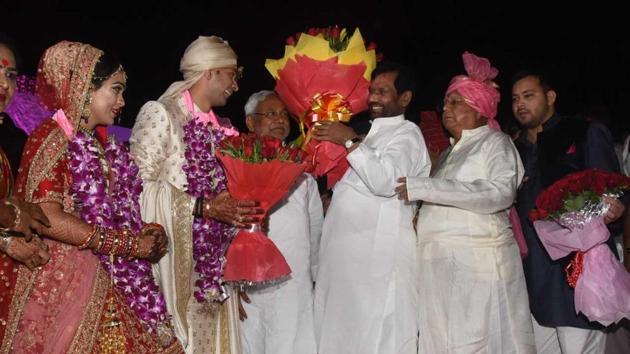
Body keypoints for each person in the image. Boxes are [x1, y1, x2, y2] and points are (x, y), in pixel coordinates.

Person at [2, 40, 183, 353]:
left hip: (110, 275)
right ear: (85, 88)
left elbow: (109, 213)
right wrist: (126, 243)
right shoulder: (53, 136)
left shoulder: (101, 146)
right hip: (66, 282)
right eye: (115, 89)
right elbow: (46, 217)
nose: (122, 100)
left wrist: (142, 234)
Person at [396, 52, 535, 353]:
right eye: (446, 102)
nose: (446, 108)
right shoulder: (447, 153)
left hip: (478, 266)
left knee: (478, 342)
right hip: (435, 266)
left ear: (480, 107)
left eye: (456, 102)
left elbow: (499, 194)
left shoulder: (496, 143)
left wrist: (426, 188)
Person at [130, 35, 260, 353]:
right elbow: (136, 188)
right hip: (173, 262)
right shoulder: (161, 113)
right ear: (210, 72)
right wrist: (201, 207)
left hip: (216, 270)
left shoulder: (226, 130)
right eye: (232, 73)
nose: (236, 84)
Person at [311, 61, 431, 354]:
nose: (373, 97)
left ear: (405, 98)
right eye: (371, 91)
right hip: (347, 263)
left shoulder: (408, 134)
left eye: (382, 91)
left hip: (378, 263)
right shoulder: (371, 135)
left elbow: (386, 181)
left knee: (378, 337)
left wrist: (349, 140)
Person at [512, 70, 625, 353]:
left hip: (577, 269)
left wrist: (616, 211)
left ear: (550, 97)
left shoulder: (582, 132)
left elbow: (612, 186)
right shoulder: (513, 148)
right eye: (514, 99)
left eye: (528, 96)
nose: (520, 105)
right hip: (530, 270)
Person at [237, 90, 323, 354]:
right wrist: (231, 282)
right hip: (250, 285)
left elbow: (315, 228)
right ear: (251, 123)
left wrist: (315, 277)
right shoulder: (235, 167)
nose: (279, 120)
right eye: (270, 114)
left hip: (294, 283)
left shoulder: (303, 175)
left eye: (284, 114)